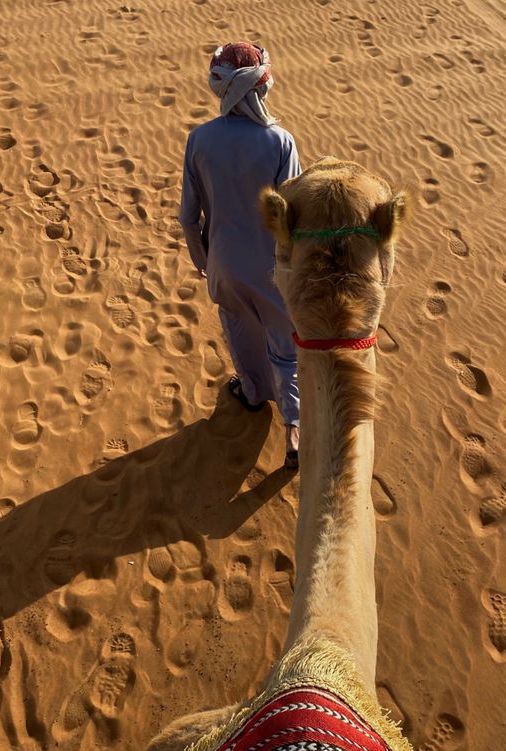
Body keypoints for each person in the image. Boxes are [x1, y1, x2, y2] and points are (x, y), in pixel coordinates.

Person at [179, 41, 301, 469]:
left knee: (240, 332)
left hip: (224, 265)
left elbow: (188, 219)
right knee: (286, 349)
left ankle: (251, 394)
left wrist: (203, 261)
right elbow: (290, 217)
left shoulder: (200, 140)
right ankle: (295, 429)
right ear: (258, 89)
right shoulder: (280, 142)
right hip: (274, 268)